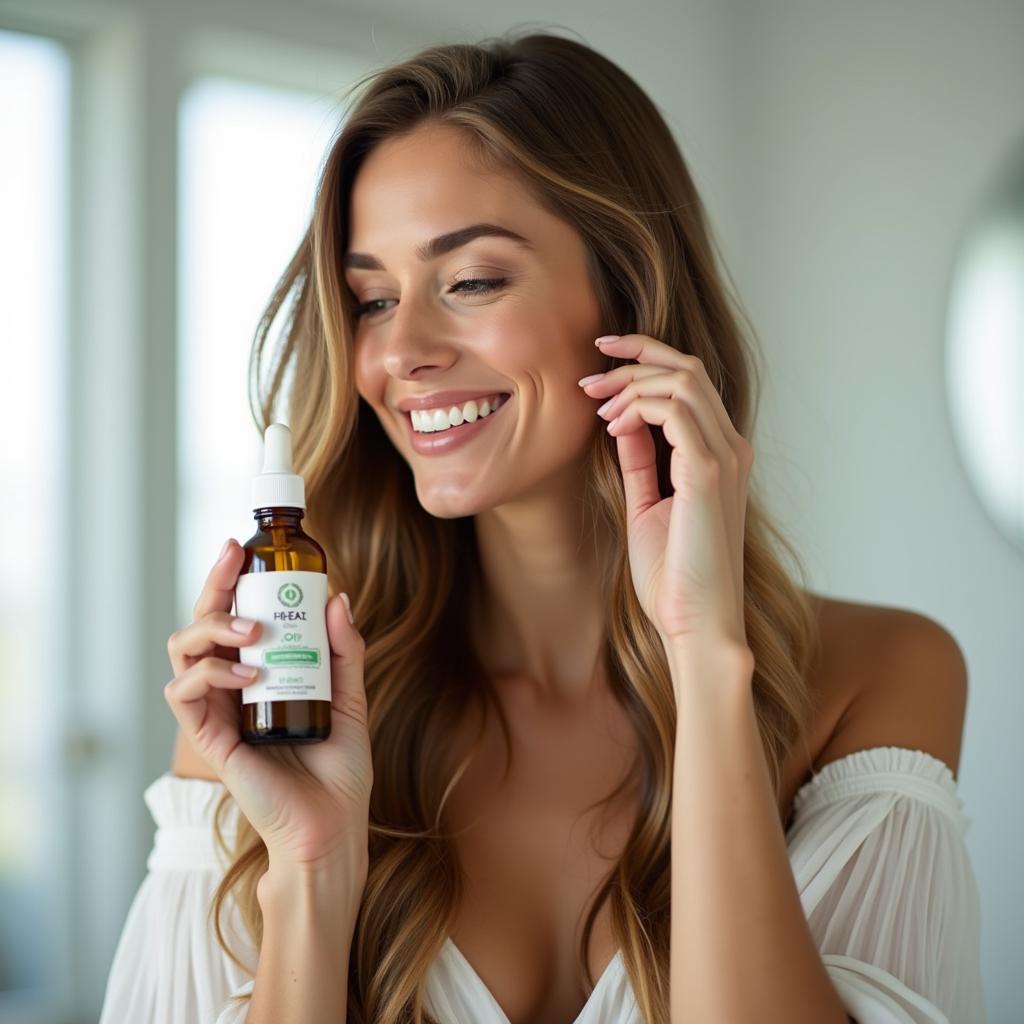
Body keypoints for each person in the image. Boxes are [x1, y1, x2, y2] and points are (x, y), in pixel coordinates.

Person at [98, 29, 986, 1024]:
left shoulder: (878, 675)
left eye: (471, 281)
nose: (402, 352)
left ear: (627, 290)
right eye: (372, 299)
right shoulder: (282, 711)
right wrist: (310, 868)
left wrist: (705, 658)